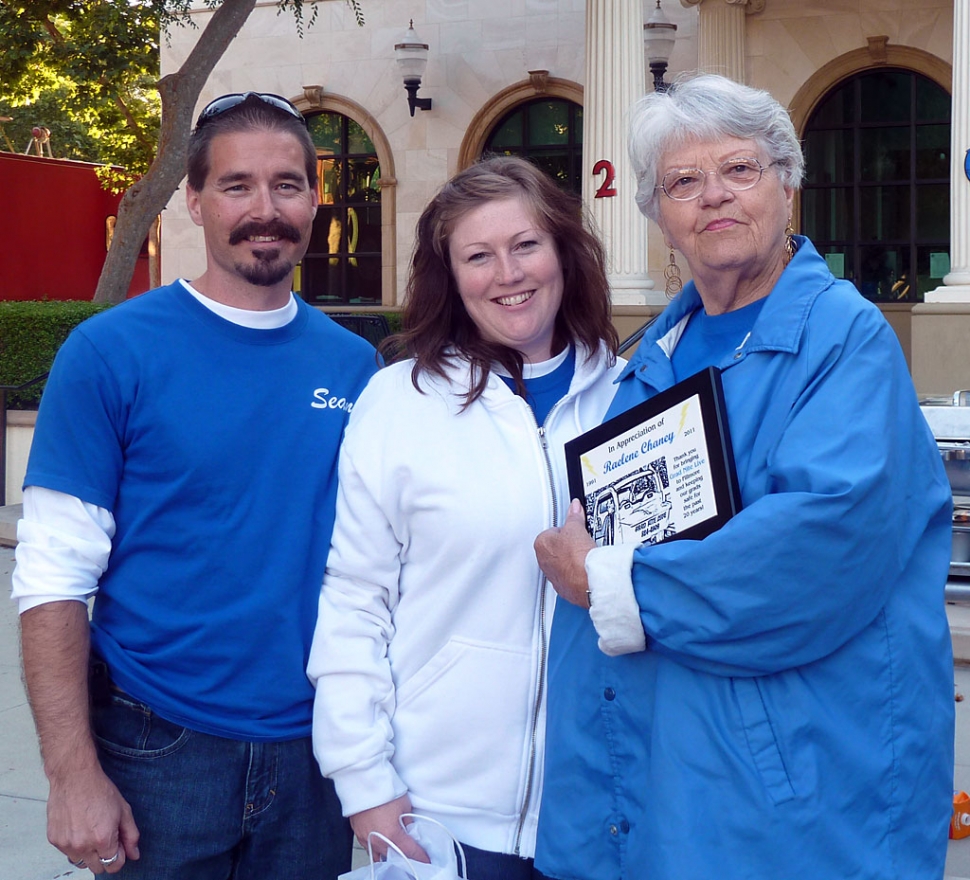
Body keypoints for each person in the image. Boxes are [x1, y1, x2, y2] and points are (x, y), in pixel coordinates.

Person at [532, 73, 954, 880]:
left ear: (787, 185)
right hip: (654, 786)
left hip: (790, 807)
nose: (715, 196)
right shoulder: (651, 356)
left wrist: (605, 581)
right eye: (684, 182)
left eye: (739, 169)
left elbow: (813, 555)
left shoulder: (845, 340)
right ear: (658, 215)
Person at [12, 92, 378, 878]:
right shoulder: (109, 352)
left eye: (286, 184)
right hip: (156, 748)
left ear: (315, 198)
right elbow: (51, 579)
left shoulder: (356, 367)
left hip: (316, 754)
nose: (264, 210)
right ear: (194, 199)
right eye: (236, 185)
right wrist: (71, 776)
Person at [307, 156, 623, 880]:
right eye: (478, 256)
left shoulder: (632, 394)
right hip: (440, 816)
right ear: (449, 276)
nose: (508, 274)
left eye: (526, 245)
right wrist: (365, 782)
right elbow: (355, 600)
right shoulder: (400, 402)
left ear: (564, 251)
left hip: (604, 813)